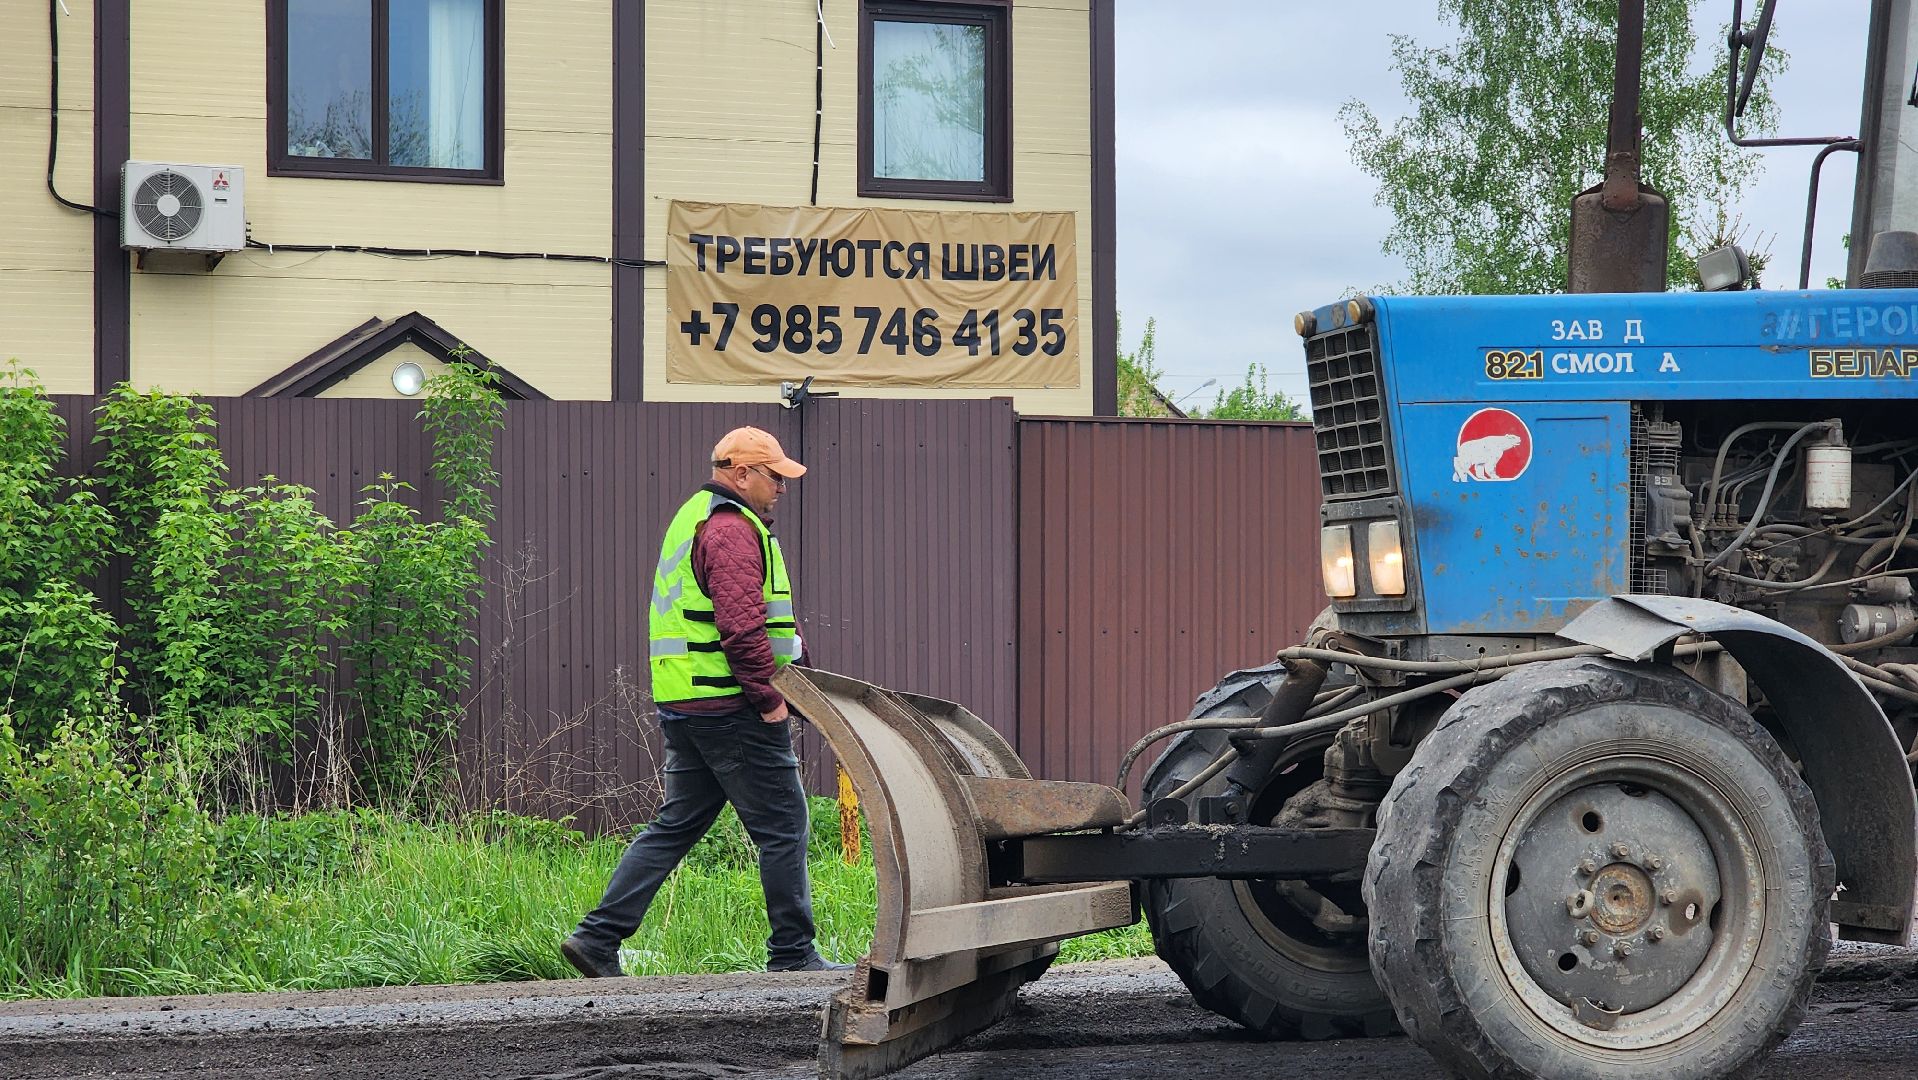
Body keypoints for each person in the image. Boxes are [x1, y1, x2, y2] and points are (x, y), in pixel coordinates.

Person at [561, 426, 852, 977]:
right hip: (731, 707)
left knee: (677, 823)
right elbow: (742, 630)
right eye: (774, 476)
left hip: (688, 702)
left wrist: (801, 681)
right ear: (741, 474)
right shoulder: (731, 531)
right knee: (785, 824)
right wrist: (768, 698)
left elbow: (761, 623)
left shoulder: (697, 518)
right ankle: (793, 953)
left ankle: (597, 938)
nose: (782, 488)